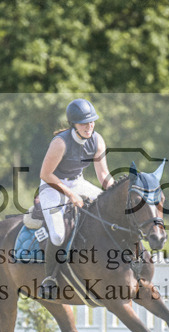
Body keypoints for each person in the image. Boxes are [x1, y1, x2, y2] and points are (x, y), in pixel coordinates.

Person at [36, 98, 114, 299]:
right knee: (57, 235)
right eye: (83, 123)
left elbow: (103, 174)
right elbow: (45, 174)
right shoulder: (60, 143)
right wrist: (70, 195)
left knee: (110, 210)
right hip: (52, 186)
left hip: (78, 182)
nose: (89, 126)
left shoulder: (97, 140)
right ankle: (49, 278)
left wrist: (115, 193)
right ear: (74, 124)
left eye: (92, 122)